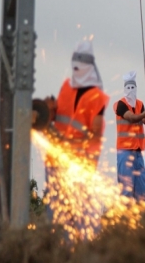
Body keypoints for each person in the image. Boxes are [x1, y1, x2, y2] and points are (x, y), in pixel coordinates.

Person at [43, 40, 109, 239]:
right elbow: (59, 116)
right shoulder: (66, 87)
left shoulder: (97, 97)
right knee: (56, 217)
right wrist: (48, 111)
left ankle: (82, 252)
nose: (76, 71)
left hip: (80, 167)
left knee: (81, 218)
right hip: (55, 163)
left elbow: (95, 135)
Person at [114, 71, 145, 200]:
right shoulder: (120, 104)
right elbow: (131, 117)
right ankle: (125, 217)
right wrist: (142, 116)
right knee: (126, 189)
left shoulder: (140, 104)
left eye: (133, 87)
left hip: (138, 152)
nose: (131, 90)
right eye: (128, 87)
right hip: (124, 151)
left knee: (142, 188)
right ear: (124, 89)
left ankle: (143, 216)